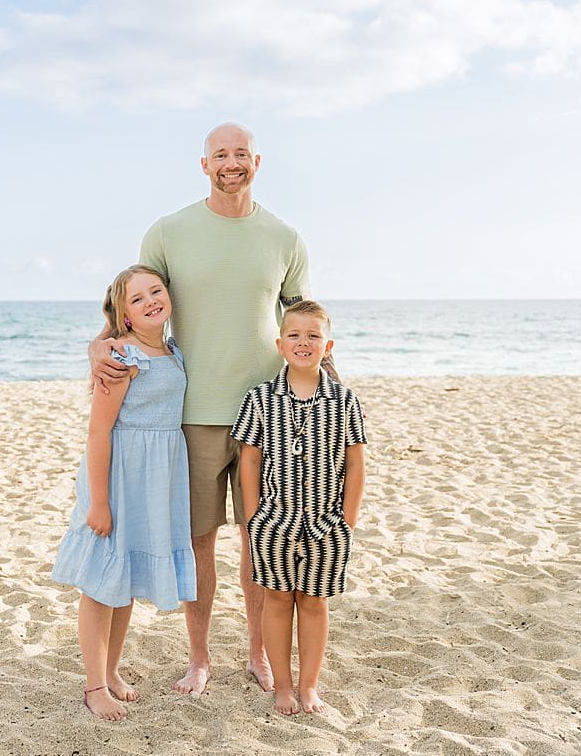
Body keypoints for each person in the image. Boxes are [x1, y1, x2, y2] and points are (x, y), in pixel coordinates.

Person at [90, 122, 335, 696]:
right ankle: (198, 658)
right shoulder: (168, 232)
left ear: (257, 162)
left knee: (260, 540)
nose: (231, 163)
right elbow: (134, 303)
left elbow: (302, 322)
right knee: (199, 543)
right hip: (191, 415)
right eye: (220, 154)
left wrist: (330, 380)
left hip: (267, 415)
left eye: (240, 154)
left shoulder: (286, 238)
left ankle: (258, 654)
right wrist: (99, 345)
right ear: (204, 165)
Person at [52, 264, 197, 721]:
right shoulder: (123, 357)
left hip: (154, 482)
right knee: (101, 583)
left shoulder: (172, 350)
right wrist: (99, 502)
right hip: (118, 479)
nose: (151, 301)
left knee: (125, 580)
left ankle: (111, 671)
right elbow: (99, 432)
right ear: (125, 315)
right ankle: (94, 686)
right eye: (137, 298)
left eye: (156, 291)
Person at [231, 300, 366, 715]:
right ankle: (284, 687)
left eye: (313, 336)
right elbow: (249, 460)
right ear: (280, 344)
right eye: (294, 335)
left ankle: (309, 686)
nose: (303, 342)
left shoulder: (344, 401)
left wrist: (347, 521)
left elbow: (355, 463)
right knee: (276, 600)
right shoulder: (259, 399)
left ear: (328, 346)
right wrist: (254, 517)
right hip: (274, 522)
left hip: (327, 524)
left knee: (313, 603)